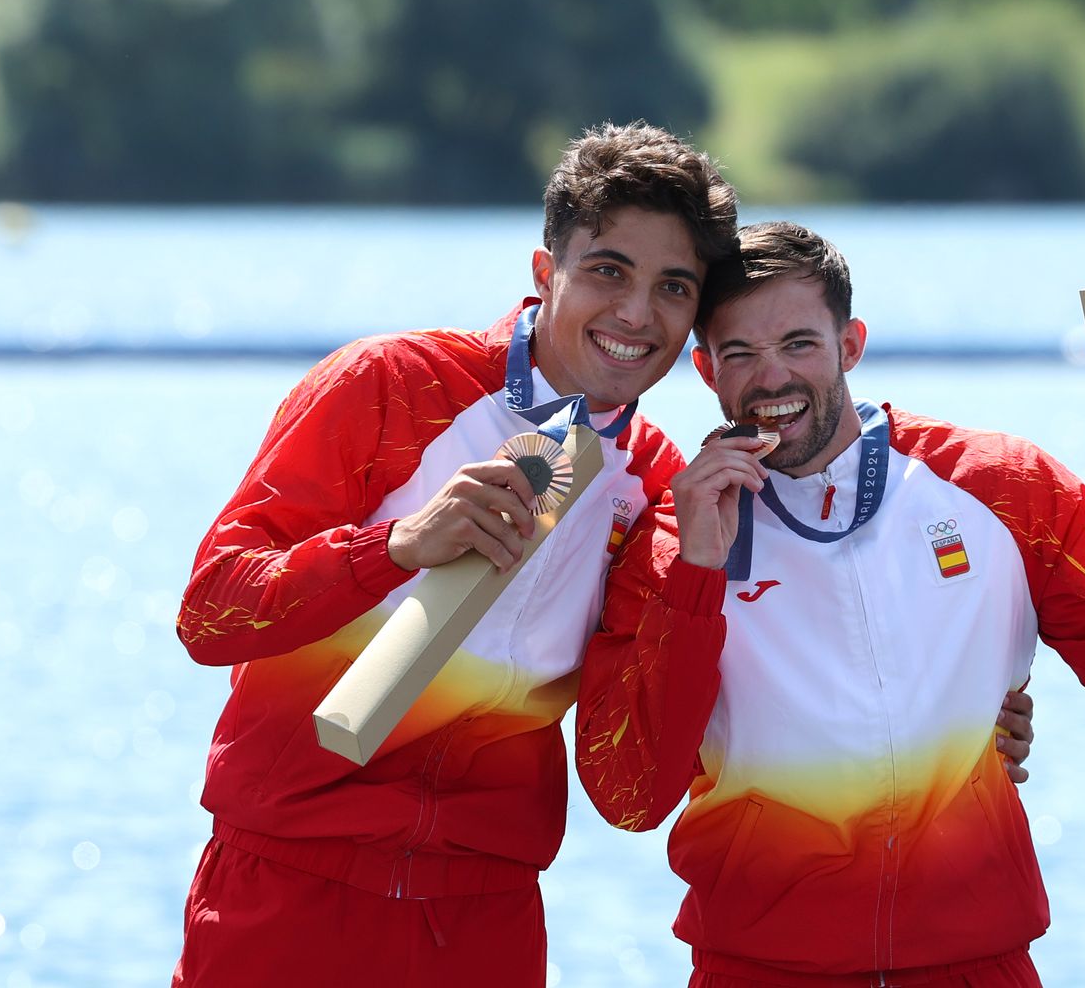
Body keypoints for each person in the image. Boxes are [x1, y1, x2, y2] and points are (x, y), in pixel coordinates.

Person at [576, 221, 1085, 987]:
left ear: (851, 344)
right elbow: (628, 794)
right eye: (740, 355)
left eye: (799, 344)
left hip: (975, 964)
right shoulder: (671, 537)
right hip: (760, 969)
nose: (772, 380)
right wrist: (696, 574)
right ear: (704, 369)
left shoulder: (1002, 487)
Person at [168, 122, 741, 986]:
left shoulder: (657, 486)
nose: (635, 314)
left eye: (673, 288)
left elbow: (629, 793)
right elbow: (210, 612)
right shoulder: (389, 385)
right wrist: (393, 548)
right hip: (288, 893)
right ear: (545, 273)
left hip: (483, 922)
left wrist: (697, 576)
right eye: (608, 271)